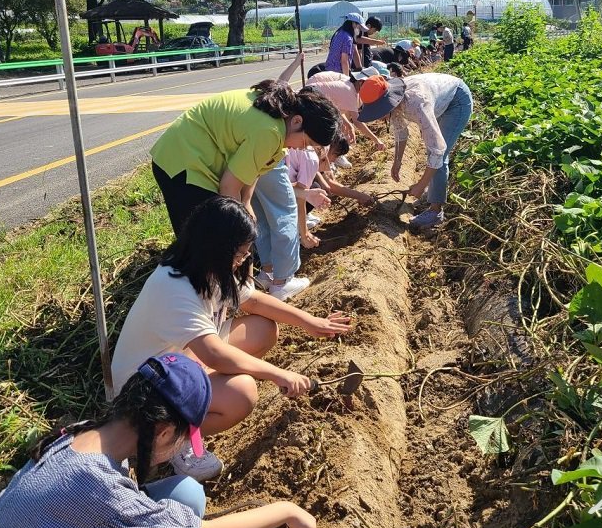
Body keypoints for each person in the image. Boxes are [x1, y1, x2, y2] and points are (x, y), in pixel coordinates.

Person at [111, 197, 352, 481]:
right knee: (242, 392)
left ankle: (195, 407)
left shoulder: (205, 268)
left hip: (175, 360)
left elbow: (256, 303)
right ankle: (170, 440)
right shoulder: (174, 287)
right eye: (239, 254)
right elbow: (214, 354)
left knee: (264, 329)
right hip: (143, 390)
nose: (243, 260)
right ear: (216, 246)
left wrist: (310, 322)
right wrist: (279, 374)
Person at [0, 352, 318, 528]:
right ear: (162, 430)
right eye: (186, 437)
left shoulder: (81, 435)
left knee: (186, 494)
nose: (184, 447)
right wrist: (288, 511)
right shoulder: (100, 491)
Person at [150, 55, 339, 236]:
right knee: (203, 239)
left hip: (197, 159)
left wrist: (246, 203)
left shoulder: (280, 122)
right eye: (306, 143)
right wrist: (241, 225)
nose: (301, 149)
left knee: (220, 235)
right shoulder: (270, 132)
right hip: (182, 162)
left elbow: (251, 170)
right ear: (297, 121)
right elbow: (228, 188)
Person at [357, 67, 473, 230]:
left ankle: (435, 212)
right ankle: (433, 194)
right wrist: (397, 161)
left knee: (439, 155)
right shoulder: (395, 101)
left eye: (378, 111)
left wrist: (421, 184)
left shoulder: (417, 103)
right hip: (439, 98)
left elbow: (437, 149)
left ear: (387, 101)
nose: (378, 116)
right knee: (433, 153)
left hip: (456, 102)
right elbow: (401, 131)